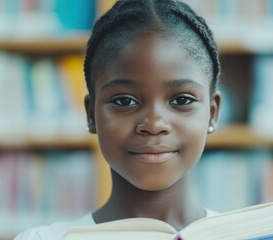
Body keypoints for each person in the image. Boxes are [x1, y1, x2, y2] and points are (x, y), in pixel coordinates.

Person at [15, 0, 221, 239]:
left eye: (182, 100)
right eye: (125, 101)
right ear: (91, 115)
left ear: (212, 113)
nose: (154, 124)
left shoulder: (249, 234)